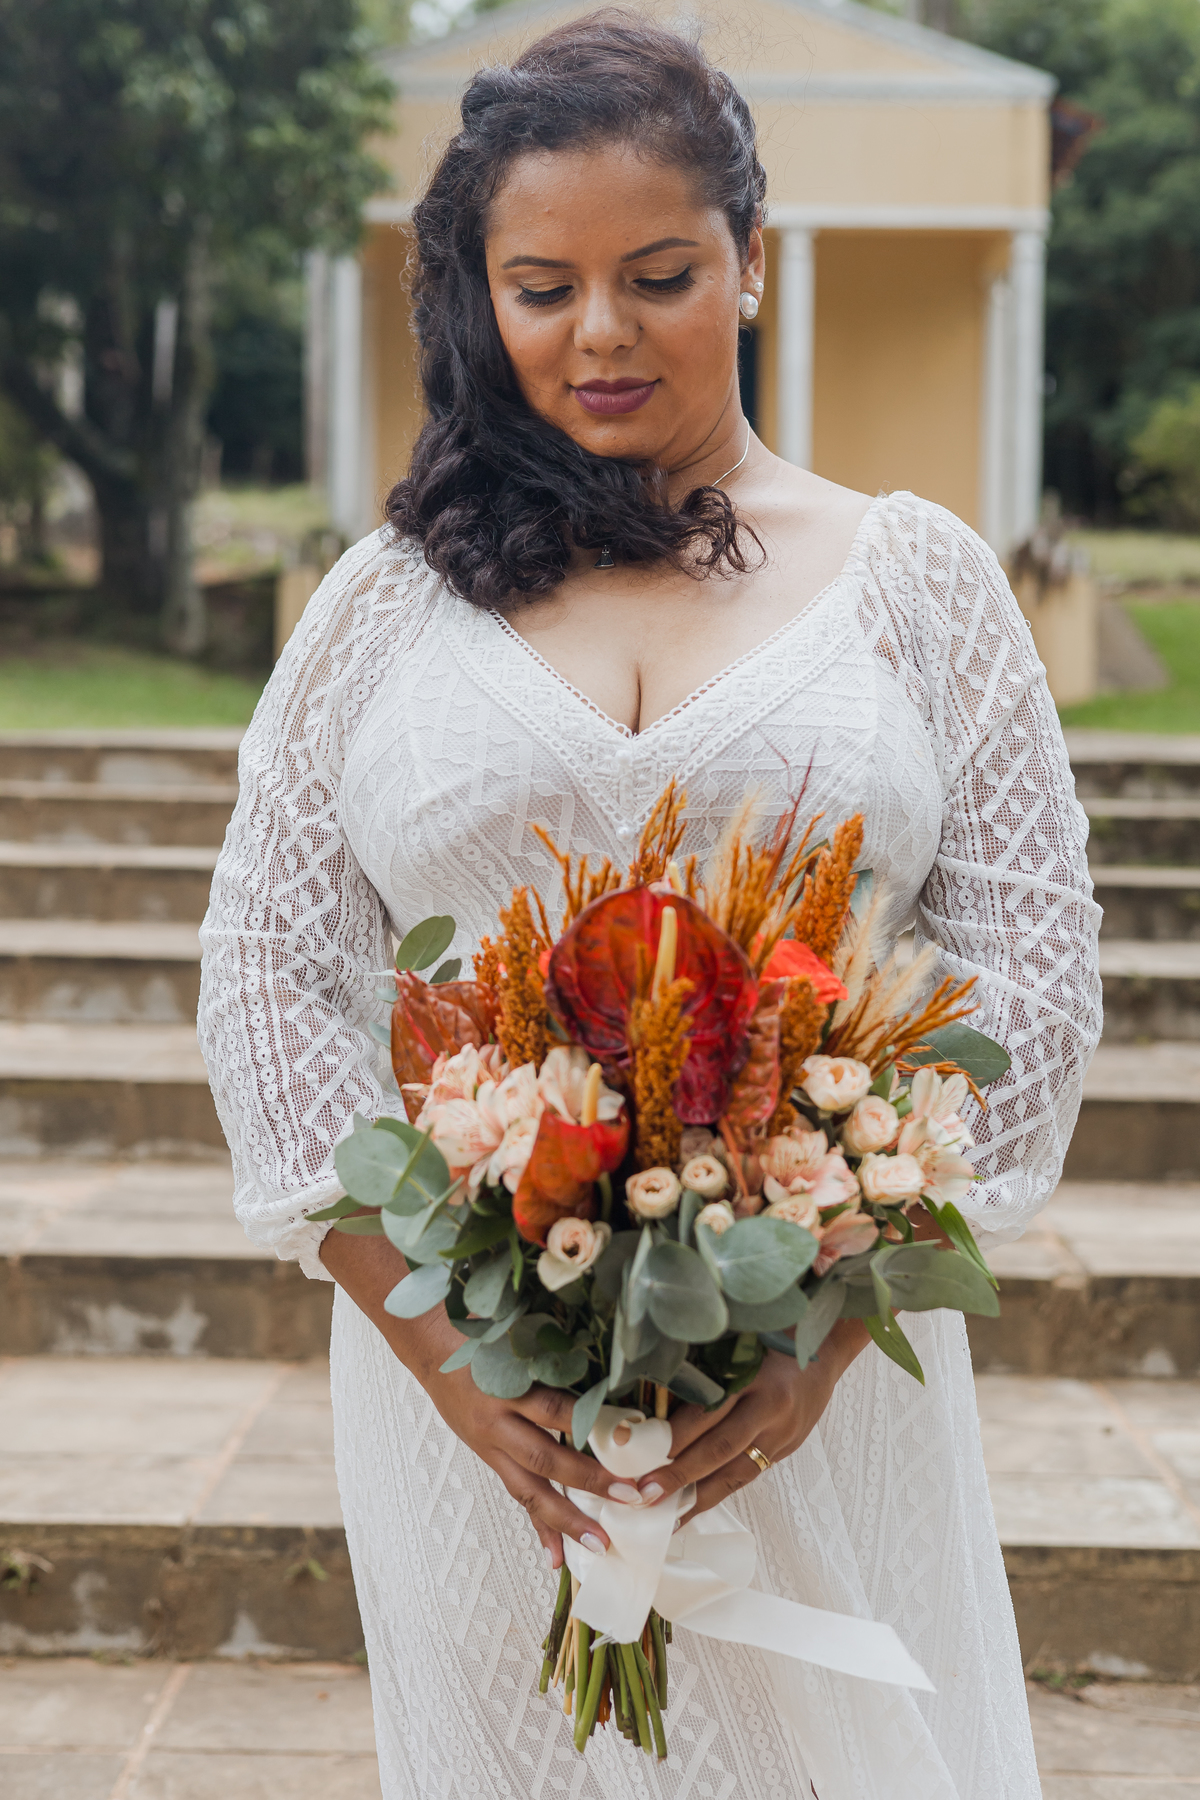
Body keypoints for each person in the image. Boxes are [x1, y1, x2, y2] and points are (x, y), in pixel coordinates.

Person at [198, 14, 1101, 1797]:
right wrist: (453, 1357)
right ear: (481, 298)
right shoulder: (386, 606)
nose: (599, 333)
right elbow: (267, 973)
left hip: (814, 1389)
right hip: (472, 1412)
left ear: (752, 265)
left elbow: (1034, 977)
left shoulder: (913, 581)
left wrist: (830, 1330)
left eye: (659, 274)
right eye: (541, 287)